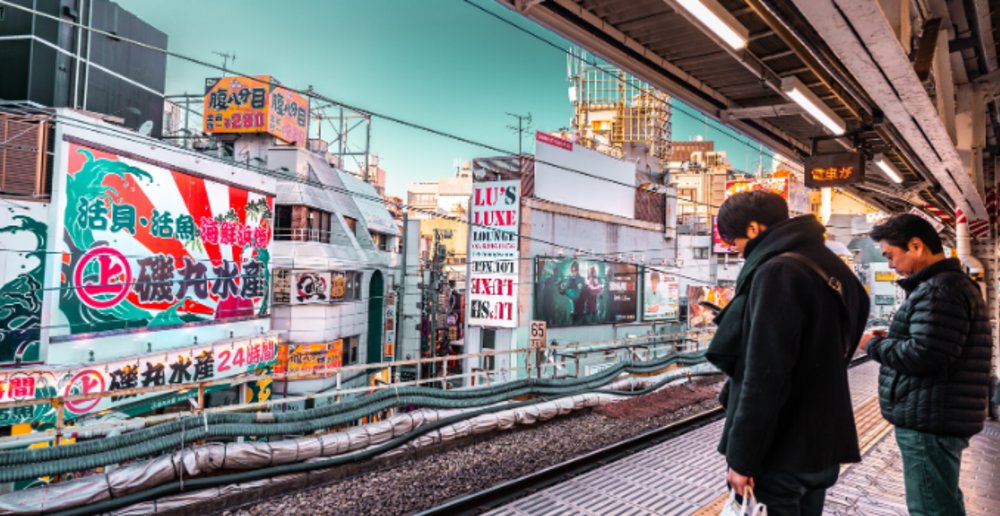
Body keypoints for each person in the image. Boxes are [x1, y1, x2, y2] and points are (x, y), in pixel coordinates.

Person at [706, 191, 869, 516]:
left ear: (753, 228)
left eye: (733, 240)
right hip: (821, 446)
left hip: (780, 453)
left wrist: (742, 459)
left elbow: (764, 376)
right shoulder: (834, 266)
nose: (736, 250)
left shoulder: (777, 271)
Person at [860, 214, 991, 516]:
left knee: (930, 508)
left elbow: (925, 354)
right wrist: (895, 338)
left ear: (916, 246)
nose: (890, 265)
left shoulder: (938, 290)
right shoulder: (948, 286)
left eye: (891, 255)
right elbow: (934, 343)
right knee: (942, 502)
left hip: (930, 419)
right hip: (937, 414)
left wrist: (872, 345)